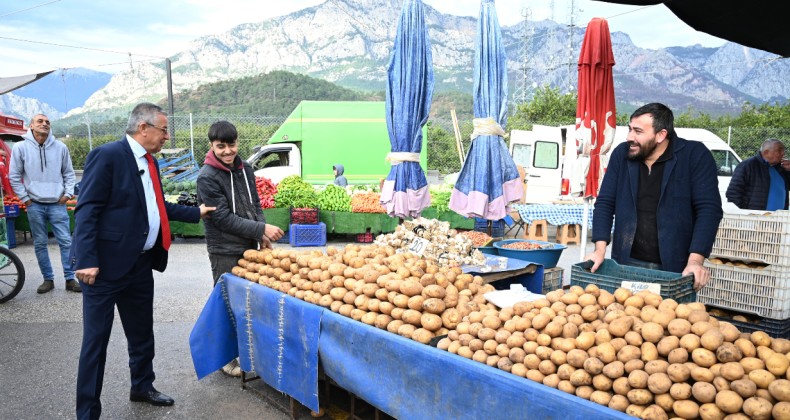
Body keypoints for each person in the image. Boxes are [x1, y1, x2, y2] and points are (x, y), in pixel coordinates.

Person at [71, 103, 215, 420]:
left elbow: (155, 206)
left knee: (141, 334)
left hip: (139, 265)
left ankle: (142, 386)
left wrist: (195, 213)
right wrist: (86, 259)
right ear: (143, 128)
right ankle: (87, 412)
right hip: (103, 269)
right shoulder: (108, 156)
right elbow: (87, 209)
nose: (167, 136)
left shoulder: (150, 162)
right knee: (96, 343)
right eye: (164, 129)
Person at [584, 103, 723, 291]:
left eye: (638, 131)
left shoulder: (694, 156)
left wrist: (696, 261)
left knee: (668, 318)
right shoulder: (622, 155)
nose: (629, 137)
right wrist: (599, 250)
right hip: (626, 262)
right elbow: (605, 203)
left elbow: (709, 210)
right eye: (630, 129)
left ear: (661, 135)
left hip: (676, 266)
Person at [196, 120, 283, 376]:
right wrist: (260, 230)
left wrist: (261, 230)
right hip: (224, 248)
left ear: (237, 143)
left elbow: (255, 203)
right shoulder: (207, 178)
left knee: (247, 302)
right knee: (226, 302)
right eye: (220, 146)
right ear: (212, 146)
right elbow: (221, 218)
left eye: (231, 145)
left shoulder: (245, 168)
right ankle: (226, 359)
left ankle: (243, 351)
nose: (227, 151)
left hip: (249, 244)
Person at [8, 113, 79, 294]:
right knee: (40, 243)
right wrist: (26, 199)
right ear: (31, 126)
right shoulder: (20, 148)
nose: (44, 124)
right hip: (34, 205)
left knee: (66, 241)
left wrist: (67, 194)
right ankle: (48, 279)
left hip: (57, 203)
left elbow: (69, 174)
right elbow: (14, 176)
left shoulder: (60, 147)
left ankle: (70, 279)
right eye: (40, 121)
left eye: (47, 122)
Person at [726, 138, 790, 210]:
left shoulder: (781, 168)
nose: (783, 153)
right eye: (779, 150)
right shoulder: (747, 165)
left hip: (779, 219)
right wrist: (745, 212)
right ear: (766, 152)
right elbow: (733, 193)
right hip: (754, 218)